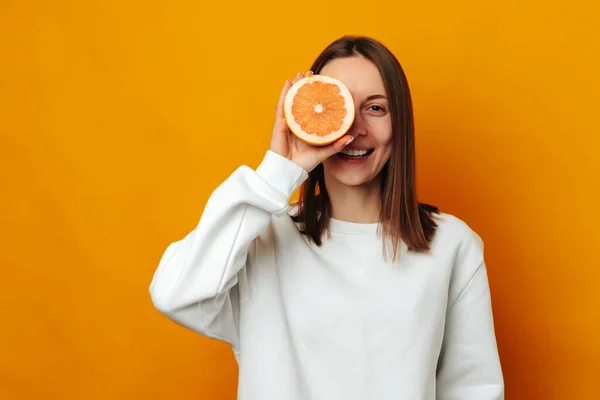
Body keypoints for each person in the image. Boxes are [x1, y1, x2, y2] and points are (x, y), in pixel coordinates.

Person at [149, 35, 504, 400]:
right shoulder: (260, 237)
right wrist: (278, 171)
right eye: (339, 107)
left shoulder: (452, 245)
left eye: (376, 108)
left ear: (400, 125)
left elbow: (472, 388)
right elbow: (174, 293)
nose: (354, 128)